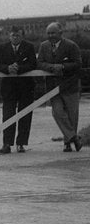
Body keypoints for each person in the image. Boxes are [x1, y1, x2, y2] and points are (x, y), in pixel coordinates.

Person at [37, 21, 83, 152]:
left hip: (70, 86)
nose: (50, 35)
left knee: (72, 115)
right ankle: (74, 138)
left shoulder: (71, 45)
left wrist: (63, 67)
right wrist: (51, 67)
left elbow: (78, 63)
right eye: (48, 33)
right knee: (57, 113)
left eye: (53, 33)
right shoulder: (43, 46)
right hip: (53, 87)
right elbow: (39, 63)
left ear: (60, 33)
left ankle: (67, 143)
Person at [0, 26, 38, 154]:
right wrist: (7, 68)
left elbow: (32, 64)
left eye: (18, 35)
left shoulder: (29, 47)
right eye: (13, 35)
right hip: (9, 87)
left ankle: (21, 143)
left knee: (25, 114)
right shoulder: (3, 48)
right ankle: (7, 143)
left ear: (22, 36)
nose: (15, 37)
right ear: (9, 35)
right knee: (8, 114)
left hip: (25, 87)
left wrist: (18, 68)